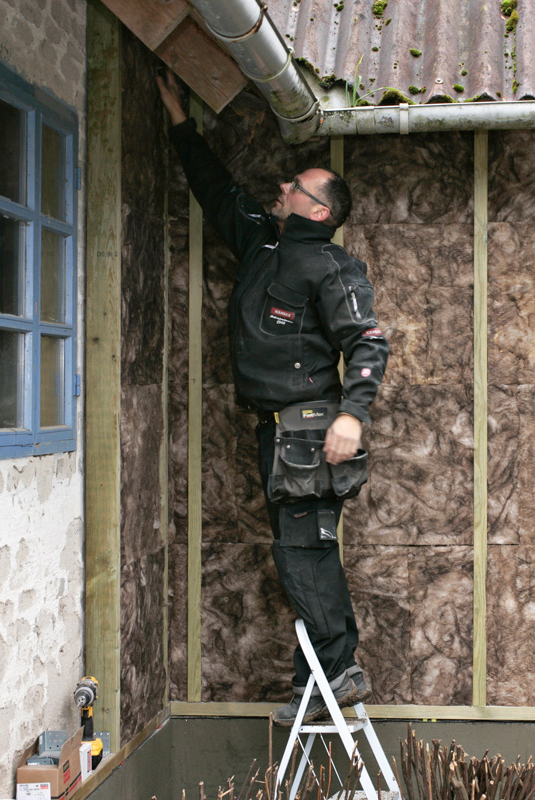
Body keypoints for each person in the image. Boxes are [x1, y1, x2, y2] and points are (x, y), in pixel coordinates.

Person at [156, 72, 389, 725]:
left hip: (310, 430)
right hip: (278, 429)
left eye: (296, 187)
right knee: (306, 551)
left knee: (302, 551)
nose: (281, 188)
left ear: (319, 210)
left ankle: (333, 674)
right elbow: (215, 189)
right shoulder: (263, 240)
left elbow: (370, 344)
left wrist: (352, 414)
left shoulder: (333, 268)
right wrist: (178, 116)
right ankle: (321, 678)